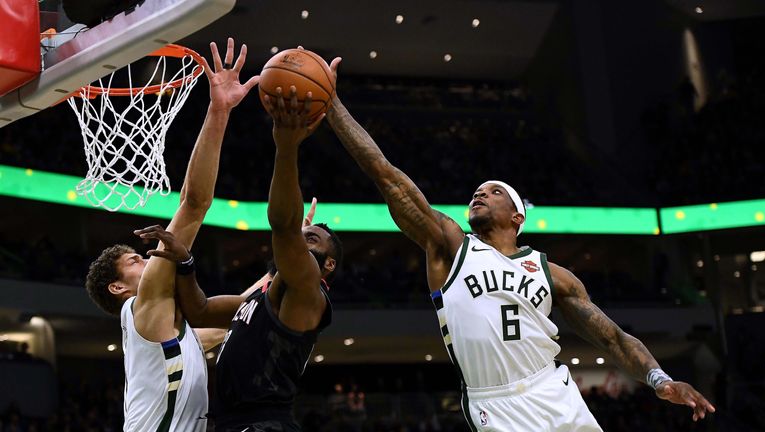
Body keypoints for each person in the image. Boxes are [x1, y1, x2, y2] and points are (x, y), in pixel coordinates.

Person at [324, 58, 716, 431]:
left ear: (517, 217)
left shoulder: (553, 275)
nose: (479, 194)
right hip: (493, 402)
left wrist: (659, 379)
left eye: (493, 192)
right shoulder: (451, 248)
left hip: (554, 392)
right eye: (477, 191)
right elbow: (386, 175)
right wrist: (333, 105)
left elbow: (612, 337)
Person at [83, 38, 258, 432]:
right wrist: (218, 110)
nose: (147, 259)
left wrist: (295, 259)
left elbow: (247, 312)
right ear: (118, 289)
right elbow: (193, 204)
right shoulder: (143, 305)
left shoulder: (166, 330)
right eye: (135, 260)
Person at [167, 88, 343, 431]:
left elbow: (283, 227)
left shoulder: (309, 290)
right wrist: (186, 263)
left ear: (329, 264)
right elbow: (198, 310)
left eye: (314, 240)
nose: (304, 242)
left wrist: (287, 147)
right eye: (303, 237)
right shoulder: (259, 301)